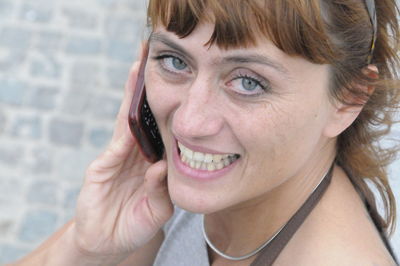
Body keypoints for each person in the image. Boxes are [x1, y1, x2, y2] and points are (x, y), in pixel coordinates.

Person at [11, 0, 399, 265]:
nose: (187, 125)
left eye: (248, 82)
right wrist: (85, 248)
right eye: (174, 60)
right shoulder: (176, 195)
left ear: (349, 99)